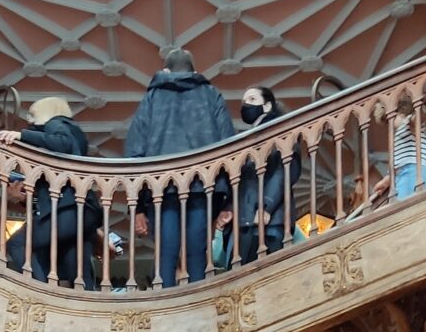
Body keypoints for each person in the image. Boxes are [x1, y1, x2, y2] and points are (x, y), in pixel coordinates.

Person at [124, 47, 234, 287]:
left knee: (166, 250)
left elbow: (135, 149)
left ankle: (165, 306)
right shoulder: (210, 93)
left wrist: (138, 205)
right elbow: (228, 143)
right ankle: (197, 303)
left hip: (160, 185)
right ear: (194, 70)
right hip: (203, 182)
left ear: (165, 70)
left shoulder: (152, 97)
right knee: (197, 251)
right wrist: (228, 200)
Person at [0, 97, 100, 287]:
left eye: (32, 115)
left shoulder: (57, 123)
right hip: (84, 209)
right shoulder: (76, 131)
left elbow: (61, 143)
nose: (30, 121)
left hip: (68, 209)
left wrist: (21, 135)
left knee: (17, 243)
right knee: (76, 268)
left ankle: (40, 294)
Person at [217, 86, 302, 264]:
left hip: (268, 221)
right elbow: (240, 182)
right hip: (243, 222)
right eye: (244, 101)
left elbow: (285, 171)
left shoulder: (280, 132)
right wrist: (229, 208)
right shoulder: (244, 140)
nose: (246, 104)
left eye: (252, 99)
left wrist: (266, 205)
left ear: (267, 106)